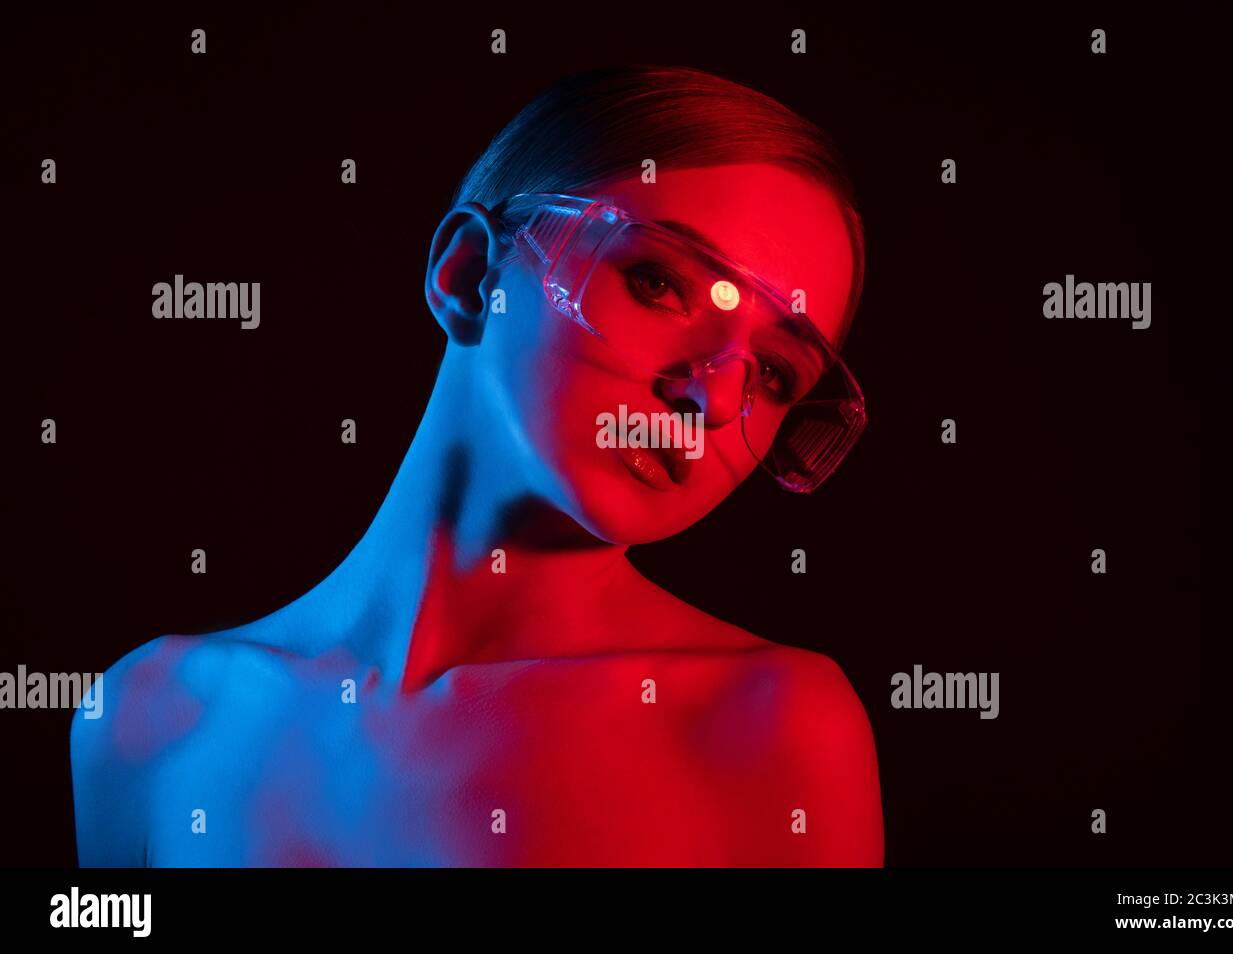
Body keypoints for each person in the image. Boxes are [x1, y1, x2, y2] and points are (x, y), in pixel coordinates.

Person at [71, 65, 883, 866]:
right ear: (469, 275)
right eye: (657, 282)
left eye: (774, 374)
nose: (710, 396)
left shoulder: (770, 725)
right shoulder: (151, 714)